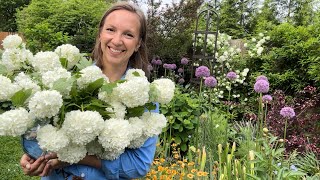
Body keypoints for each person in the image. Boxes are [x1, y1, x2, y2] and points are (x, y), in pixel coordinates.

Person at [20, 1, 158, 179]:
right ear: (100, 33)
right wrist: (34, 154)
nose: (117, 40)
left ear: (138, 43)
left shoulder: (144, 98)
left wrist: (78, 158)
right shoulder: (70, 78)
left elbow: (139, 165)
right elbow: (44, 129)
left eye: (128, 34)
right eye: (110, 30)